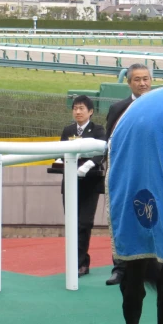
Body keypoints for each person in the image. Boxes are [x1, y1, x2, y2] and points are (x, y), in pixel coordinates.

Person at [105, 63, 152, 285]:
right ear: (129, 82)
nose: (142, 83)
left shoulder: (160, 105)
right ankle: (120, 267)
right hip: (125, 176)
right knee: (122, 219)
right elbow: (110, 144)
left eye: (146, 79)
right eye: (137, 80)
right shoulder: (118, 109)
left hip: (154, 176)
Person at [59, 95, 106, 277]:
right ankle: (76, 261)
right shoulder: (68, 130)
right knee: (72, 223)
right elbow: (61, 152)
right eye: (75, 108)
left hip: (90, 183)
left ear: (91, 111)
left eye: (82, 109)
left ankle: (81, 263)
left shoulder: (98, 130)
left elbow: (102, 150)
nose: (78, 112)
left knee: (84, 223)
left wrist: (88, 165)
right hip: (70, 182)